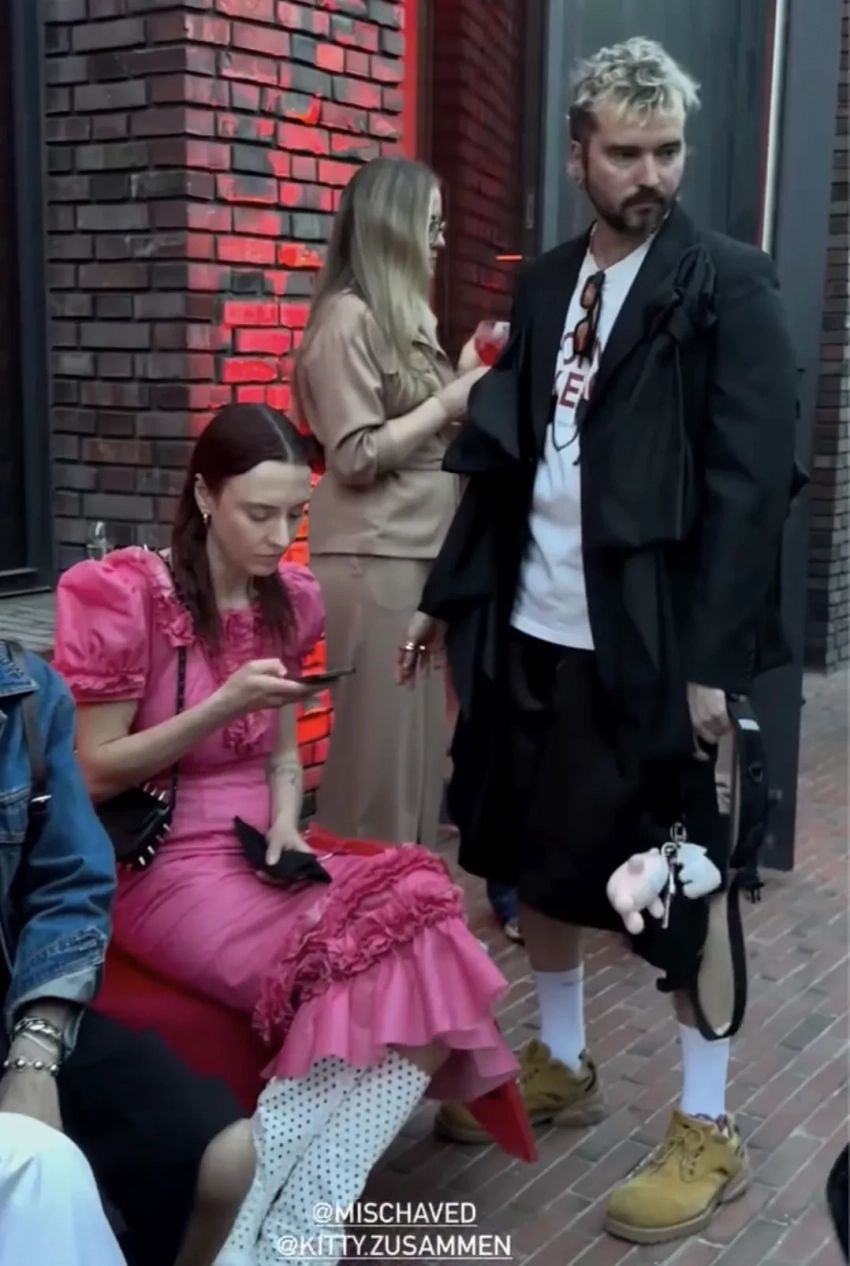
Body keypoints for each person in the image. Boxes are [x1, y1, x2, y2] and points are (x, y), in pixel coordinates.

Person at [400, 38, 799, 1245]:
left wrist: (710, 669)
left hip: (656, 648)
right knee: (535, 858)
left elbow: (749, 490)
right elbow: (505, 459)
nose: (651, 175)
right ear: (577, 155)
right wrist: (444, 594)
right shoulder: (543, 286)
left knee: (681, 880)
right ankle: (564, 1062)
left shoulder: (728, 283)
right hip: (533, 629)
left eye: (667, 150)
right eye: (624, 153)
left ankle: (707, 1125)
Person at [51, 403, 518, 1265]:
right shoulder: (127, 594)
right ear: (204, 495)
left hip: (255, 850)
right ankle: (285, 1227)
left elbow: (280, 756)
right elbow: (91, 773)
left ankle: (300, 1220)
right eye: (259, 513)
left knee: (433, 923)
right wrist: (218, 707)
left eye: (295, 514)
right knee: (377, 953)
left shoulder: (291, 601)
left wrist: (285, 824)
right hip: (157, 864)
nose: (280, 536)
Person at [0, 638, 254, 1266]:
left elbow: (69, 880)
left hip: (22, 997)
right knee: (41, 1176)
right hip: (173, 869)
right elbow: (107, 764)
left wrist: (33, 1055)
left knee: (227, 1155)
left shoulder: (24, 692)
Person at [293, 156, 487, 852]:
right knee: (379, 761)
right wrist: (447, 401)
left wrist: (459, 382)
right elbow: (354, 453)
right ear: (394, 228)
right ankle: (366, 898)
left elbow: (420, 434)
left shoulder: (397, 318)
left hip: (411, 552)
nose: (441, 240)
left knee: (413, 754)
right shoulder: (347, 320)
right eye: (431, 225)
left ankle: (401, 893)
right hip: (375, 557)